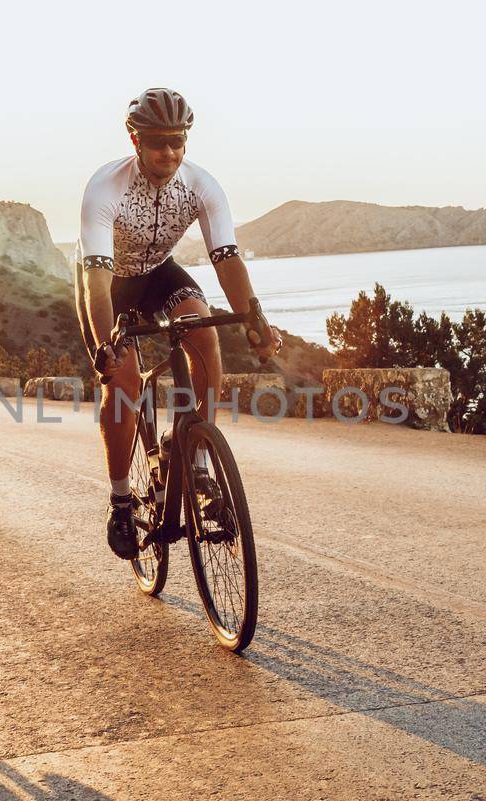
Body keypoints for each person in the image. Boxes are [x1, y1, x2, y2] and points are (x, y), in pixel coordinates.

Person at [73, 88, 281, 560]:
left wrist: (255, 318)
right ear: (135, 140)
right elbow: (97, 283)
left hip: (159, 274)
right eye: (157, 141)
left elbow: (226, 259)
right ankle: (122, 499)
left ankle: (199, 456)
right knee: (122, 378)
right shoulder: (105, 188)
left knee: (202, 331)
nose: (169, 151)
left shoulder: (201, 185)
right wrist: (109, 343)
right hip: (105, 283)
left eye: (178, 140)